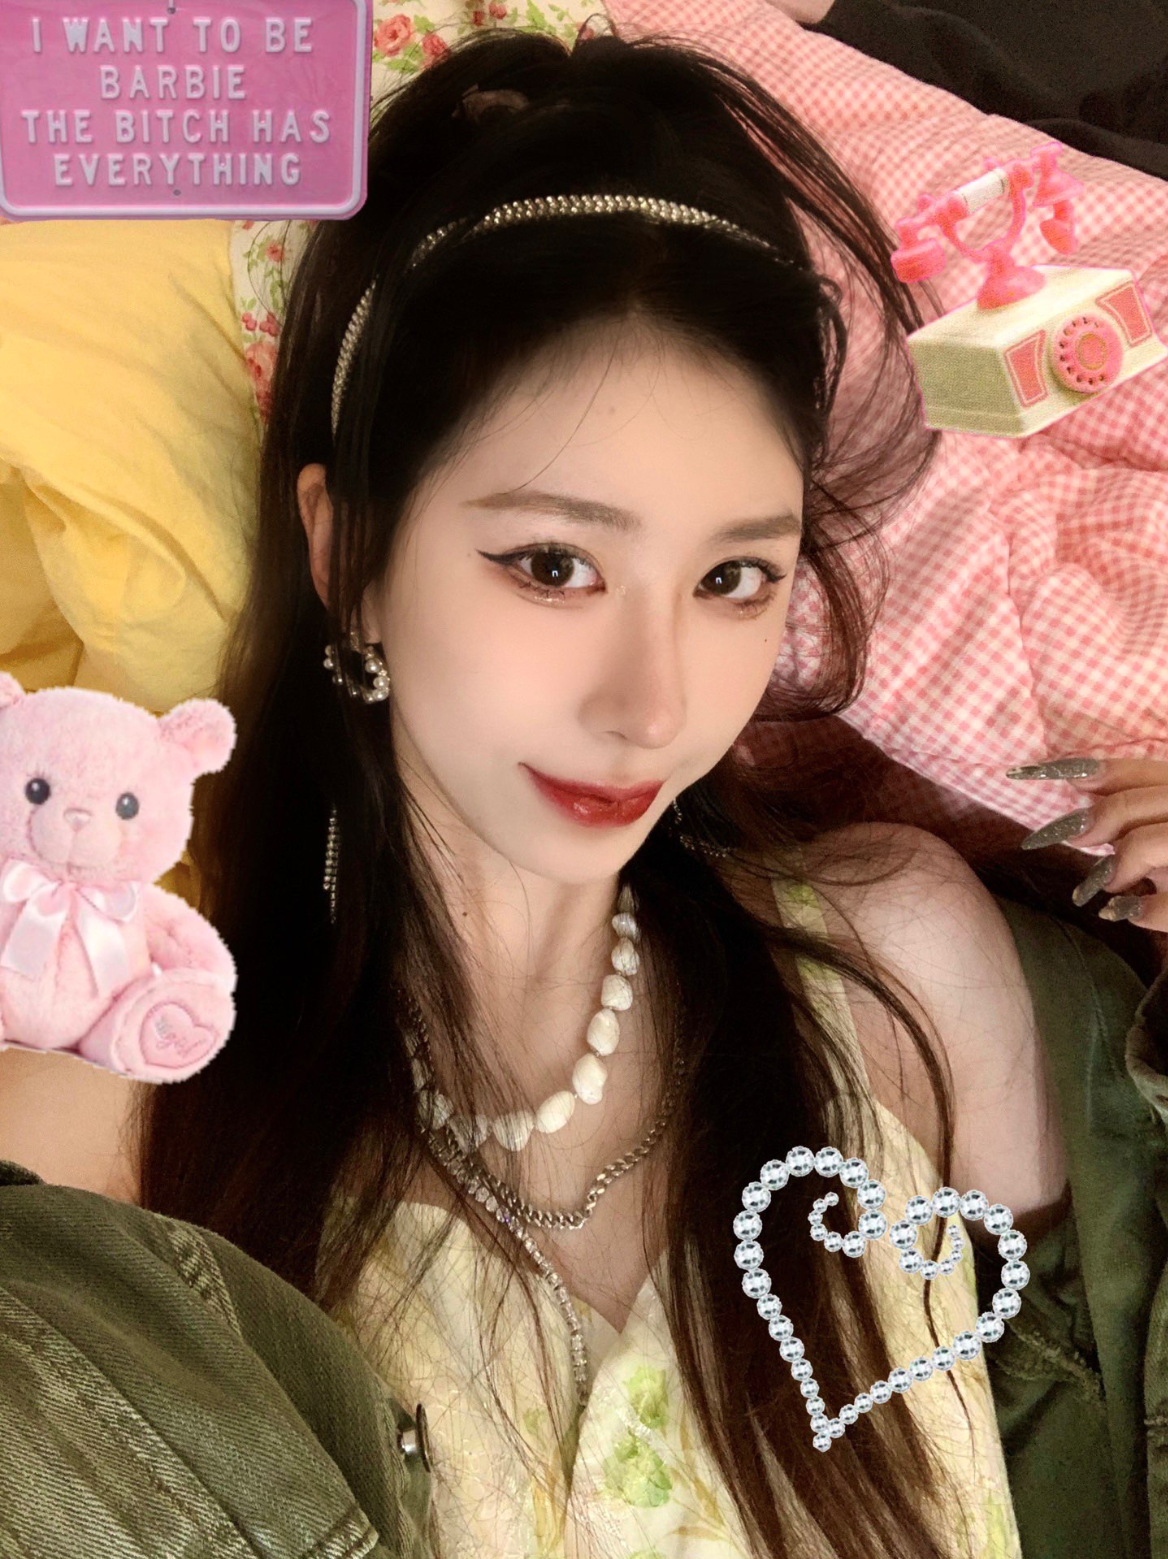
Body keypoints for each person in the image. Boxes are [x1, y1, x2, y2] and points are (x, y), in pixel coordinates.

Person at [9, 18, 1135, 1559]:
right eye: (553, 564)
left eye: (733, 578)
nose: (651, 704)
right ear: (347, 556)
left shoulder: (902, 977)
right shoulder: (111, 1147)